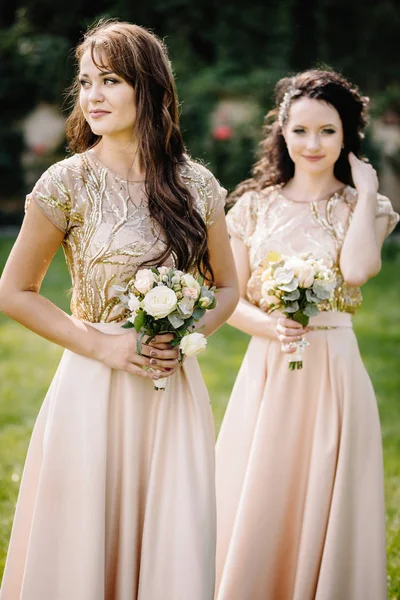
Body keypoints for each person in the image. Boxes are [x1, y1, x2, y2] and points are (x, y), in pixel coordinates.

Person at [0, 20, 239, 600]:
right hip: (91, 387)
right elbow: (14, 291)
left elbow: (228, 287)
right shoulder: (68, 182)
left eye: (110, 80)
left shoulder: (197, 184)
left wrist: (188, 334)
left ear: (149, 87)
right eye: (85, 83)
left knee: (170, 542)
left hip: (170, 390)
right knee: (84, 548)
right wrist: (102, 345)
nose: (93, 96)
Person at [215, 69, 399, 600]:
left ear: (347, 138)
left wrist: (366, 194)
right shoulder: (252, 206)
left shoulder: (361, 206)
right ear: (282, 133)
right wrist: (271, 327)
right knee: (264, 489)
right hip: (269, 367)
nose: (312, 144)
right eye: (300, 131)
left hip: (334, 367)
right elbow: (232, 300)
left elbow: (359, 270)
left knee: (326, 489)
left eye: (327, 131)